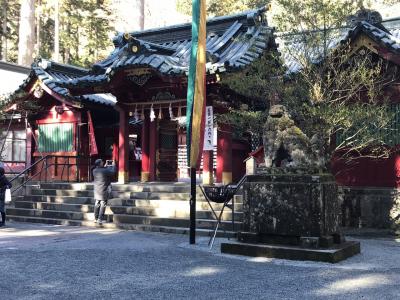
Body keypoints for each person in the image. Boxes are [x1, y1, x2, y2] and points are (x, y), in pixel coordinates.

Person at [92, 159, 116, 225]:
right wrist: (114, 165)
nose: (103, 163)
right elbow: (112, 172)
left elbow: (103, 171)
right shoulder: (105, 171)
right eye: (102, 162)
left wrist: (104, 167)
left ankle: (95, 218)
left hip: (97, 190)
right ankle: (100, 218)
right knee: (103, 204)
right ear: (100, 164)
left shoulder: (94, 170)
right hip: (103, 189)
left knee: (97, 203)